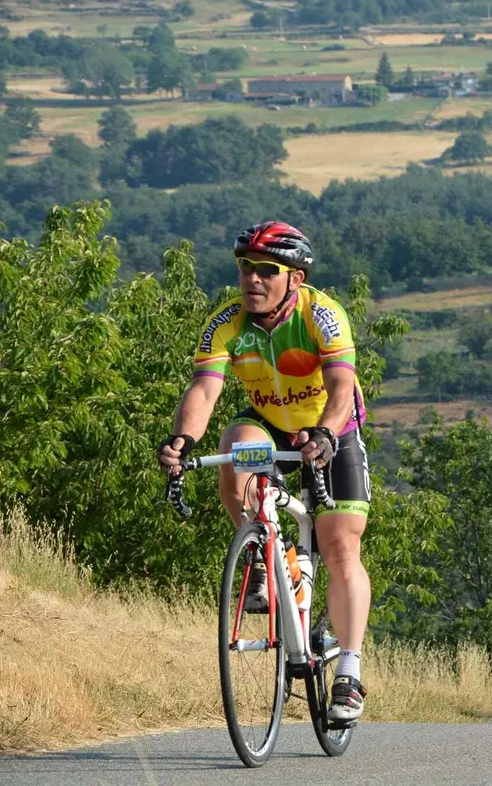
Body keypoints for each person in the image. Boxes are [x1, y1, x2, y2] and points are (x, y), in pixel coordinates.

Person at [157, 221, 373, 725]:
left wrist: (324, 433)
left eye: (265, 271)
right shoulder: (227, 321)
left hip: (328, 429)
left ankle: (348, 668)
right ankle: (263, 554)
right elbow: (205, 388)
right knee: (234, 446)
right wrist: (183, 440)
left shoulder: (322, 313)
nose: (252, 279)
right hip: (271, 428)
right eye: (244, 268)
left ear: (295, 278)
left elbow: (343, 386)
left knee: (341, 546)